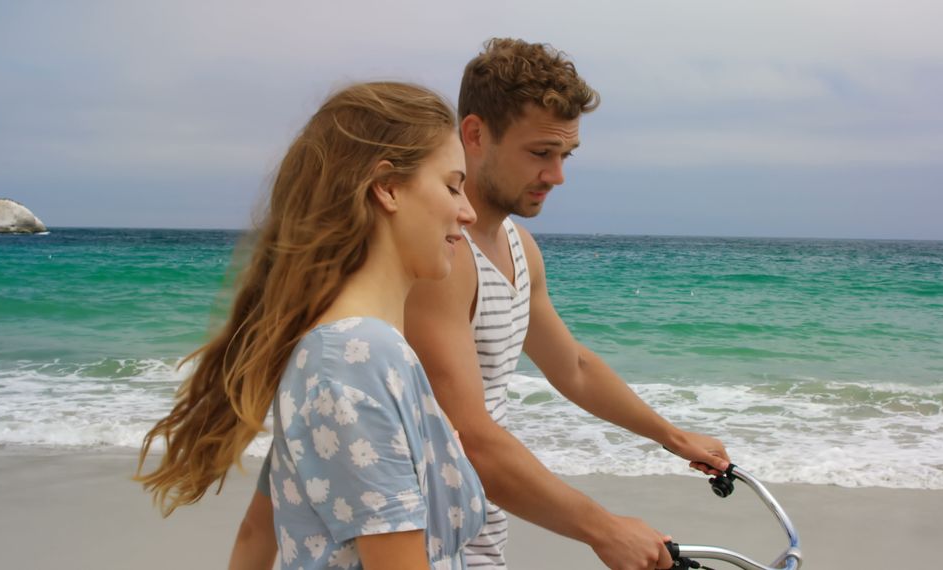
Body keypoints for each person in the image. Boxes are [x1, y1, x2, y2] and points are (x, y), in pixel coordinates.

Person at [233, 39, 730, 570]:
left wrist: (672, 436)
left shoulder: (517, 248)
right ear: (474, 134)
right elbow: (468, 434)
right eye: (540, 153)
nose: (557, 175)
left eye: (565, 155)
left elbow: (574, 366)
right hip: (436, 540)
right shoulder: (431, 273)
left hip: (472, 536)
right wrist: (603, 529)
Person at [137, 81, 484, 570]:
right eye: (452, 185)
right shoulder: (355, 357)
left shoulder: (346, 350)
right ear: (387, 188)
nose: (468, 211)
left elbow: (256, 533)